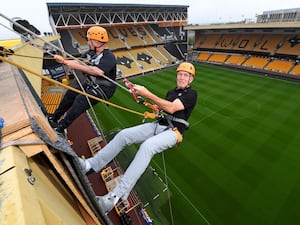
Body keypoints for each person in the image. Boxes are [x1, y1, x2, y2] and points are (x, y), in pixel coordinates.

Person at [79, 62, 198, 214]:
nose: (182, 77)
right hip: (160, 125)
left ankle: (114, 196)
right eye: (180, 74)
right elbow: (165, 107)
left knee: (148, 147)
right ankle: (90, 165)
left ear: (190, 79)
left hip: (173, 132)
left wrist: (146, 93)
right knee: (123, 135)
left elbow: (172, 108)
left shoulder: (191, 94)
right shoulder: (171, 92)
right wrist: (155, 107)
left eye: (185, 75)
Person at [48, 26, 117, 133]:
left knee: (81, 100)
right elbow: (78, 62)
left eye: (89, 40)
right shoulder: (90, 53)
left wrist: (74, 65)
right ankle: (54, 117)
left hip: (104, 89)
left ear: (96, 42)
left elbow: (97, 71)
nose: (88, 42)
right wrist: (64, 61)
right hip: (92, 84)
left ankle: (61, 127)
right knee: (71, 93)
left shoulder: (108, 56)